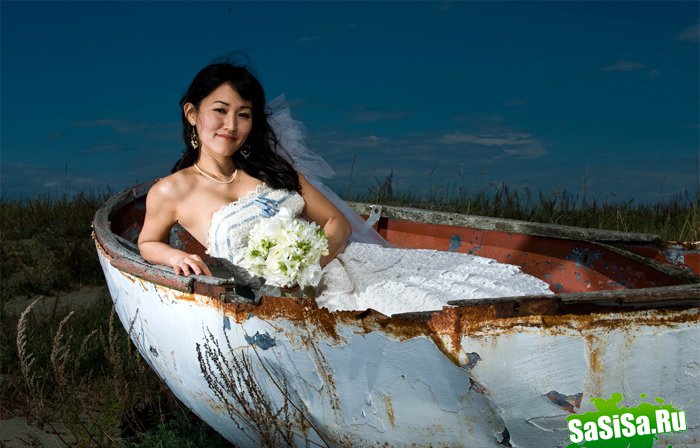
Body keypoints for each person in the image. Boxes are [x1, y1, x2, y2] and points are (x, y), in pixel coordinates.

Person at [139, 61, 552, 316]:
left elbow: (335, 222)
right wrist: (174, 255)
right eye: (220, 111)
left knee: (447, 295)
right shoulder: (171, 191)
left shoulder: (273, 170)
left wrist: (306, 261)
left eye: (243, 115)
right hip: (277, 299)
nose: (231, 126)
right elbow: (147, 242)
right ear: (192, 114)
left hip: (337, 269)